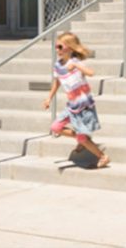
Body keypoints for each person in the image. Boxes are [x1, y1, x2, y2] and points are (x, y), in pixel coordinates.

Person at [43, 32, 109, 168]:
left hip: (84, 106)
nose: (57, 50)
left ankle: (102, 156)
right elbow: (57, 82)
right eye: (56, 47)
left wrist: (76, 66)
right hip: (71, 106)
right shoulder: (58, 65)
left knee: (81, 137)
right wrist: (49, 98)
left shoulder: (75, 62)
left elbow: (91, 73)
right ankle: (84, 140)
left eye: (60, 47)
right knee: (56, 127)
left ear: (70, 48)